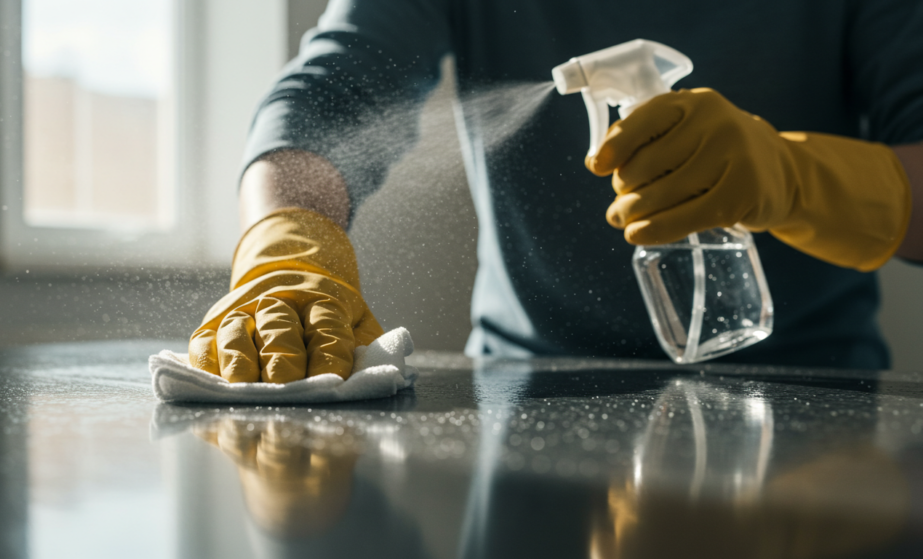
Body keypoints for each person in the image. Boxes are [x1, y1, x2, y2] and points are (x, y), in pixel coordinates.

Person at [189, 0, 923, 382]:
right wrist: (288, 242)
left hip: (822, 407)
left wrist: (793, 178)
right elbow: (334, 91)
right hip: (523, 398)